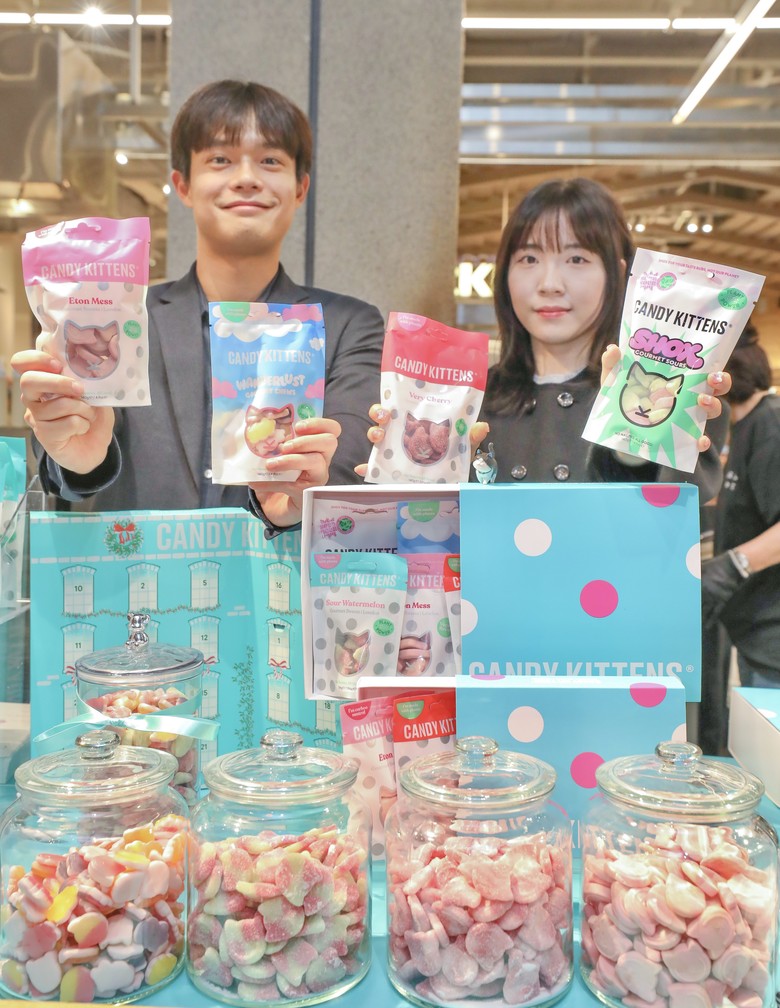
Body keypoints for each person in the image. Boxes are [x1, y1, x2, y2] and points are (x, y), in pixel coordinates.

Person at [11, 80, 384, 532]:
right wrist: (76, 457)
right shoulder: (124, 316)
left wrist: (298, 497)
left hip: (283, 575)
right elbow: (68, 463)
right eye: (220, 159)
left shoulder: (348, 326)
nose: (246, 177)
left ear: (300, 188)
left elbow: (350, 466)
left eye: (270, 160)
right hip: (135, 573)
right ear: (183, 185)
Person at [366, 177, 728, 498]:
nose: (549, 284)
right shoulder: (465, 401)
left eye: (576, 259)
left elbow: (675, 515)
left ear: (619, 274)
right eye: (528, 259)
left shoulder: (661, 399)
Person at [702, 321, 780, 688]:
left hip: (772, 637)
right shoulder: (745, 424)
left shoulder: (771, 425)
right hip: (753, 629)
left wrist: (731, 566)